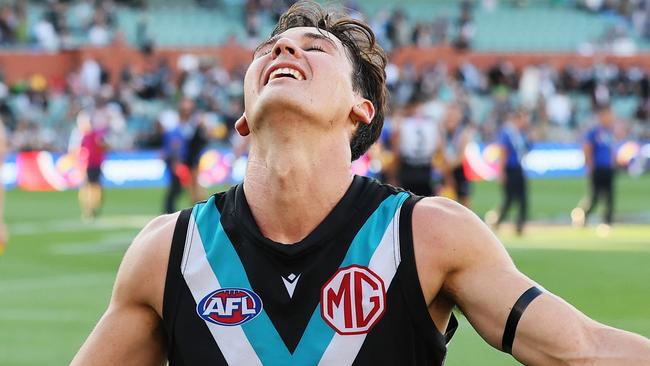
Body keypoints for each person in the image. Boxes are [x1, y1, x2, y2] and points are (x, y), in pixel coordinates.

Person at [73, 2, 650, 365]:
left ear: (360, 108)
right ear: (244, 115)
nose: (283, 49)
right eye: (271, 49)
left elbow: (582, 350)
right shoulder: (168, 251)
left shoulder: (428, 234)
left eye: (314, 48)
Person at [572, 105, 617, 230]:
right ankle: (582, 215)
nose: (610, 118)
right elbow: (587, 148)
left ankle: (608, 221)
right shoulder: (594, 132)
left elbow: (611, 149)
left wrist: (613, 162)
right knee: (595, 197)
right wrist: (589, 166)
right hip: (597, 169)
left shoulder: (610, 132)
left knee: (610, 196)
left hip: (608, 168)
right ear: (602, 116)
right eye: (608, 115)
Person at [390, 93, 443, 196]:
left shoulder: (403, 124)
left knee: (407, 203)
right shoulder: (431, 124)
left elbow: (396, 151)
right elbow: (439, 147)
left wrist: (392, 176)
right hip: (426, 168)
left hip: (408, 168)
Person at [493, 107, 532, 235]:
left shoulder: (521, 133)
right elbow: (503, 151)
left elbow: (527, 148)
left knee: (522, 198)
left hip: (518, 168)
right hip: (510, 169)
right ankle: (497, 220)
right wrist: (501, 171)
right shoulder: (508, 132)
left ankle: (519, 224)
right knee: (509, 198)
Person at [77, 108, 108, 220]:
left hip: (93, 165)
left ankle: (91, 208)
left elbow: (102, 146)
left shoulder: (91, 136)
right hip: (90, 165)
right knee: (91, 187)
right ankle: (90, 208)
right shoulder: (88, 136)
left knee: (92, 187)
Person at [441, 102, 474, 207]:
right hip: (446, 170)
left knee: (465, 204)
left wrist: (448, 168)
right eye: (449, 115)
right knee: (444, 203)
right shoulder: (442, 131)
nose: (451, 117)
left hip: (460, 170)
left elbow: (461, 157)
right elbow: (440, 151)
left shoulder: (463, 133)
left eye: (454, 115)